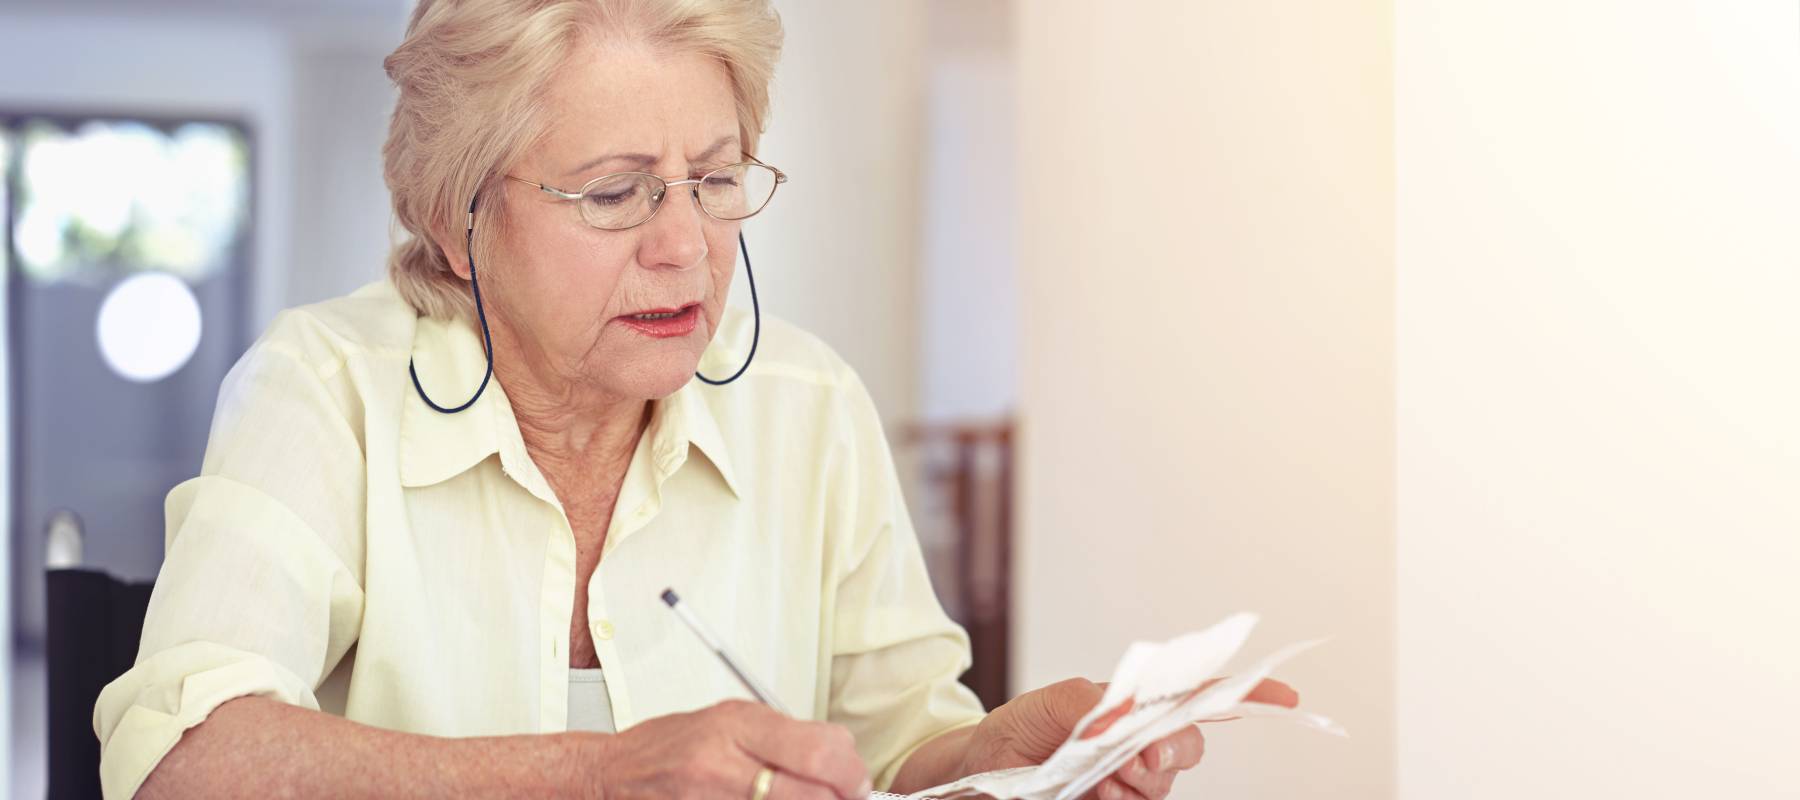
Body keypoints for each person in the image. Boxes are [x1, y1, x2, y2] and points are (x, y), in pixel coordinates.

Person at [94, 1, 1298, 797]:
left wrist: (991, 755)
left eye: (715, 179)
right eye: (617, 193)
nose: (689, 246)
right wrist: (597, 772)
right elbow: (188, 758)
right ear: (456, 218)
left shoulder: (809, 407)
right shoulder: (323, 388)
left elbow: (887, 754)